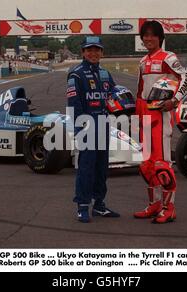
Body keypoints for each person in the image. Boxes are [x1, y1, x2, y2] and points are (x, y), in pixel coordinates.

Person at [133, 20, 187, 224]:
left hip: (161, 118)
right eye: (145, 35)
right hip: (145, 118)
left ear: (160, 37)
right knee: (147, 165)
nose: (148, 39)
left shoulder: (168, 58)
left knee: (162, 164)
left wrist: (174, 101)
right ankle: (155, 204)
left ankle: (170, 208)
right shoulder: (142, 62)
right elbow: (140, 92)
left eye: (153, 35)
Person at [67, 36, 120, 223]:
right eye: (89, 50)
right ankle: (82, 206)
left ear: (102, 52)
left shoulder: (105, 74)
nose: (93, 53)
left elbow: (115, 95)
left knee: (102, 167)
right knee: (86, 167)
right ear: (82, 52)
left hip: (104, 126)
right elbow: (74, 104)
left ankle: (99, 205)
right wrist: (81, 128)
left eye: (97, 50)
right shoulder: (76, 74)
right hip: (86, 127)